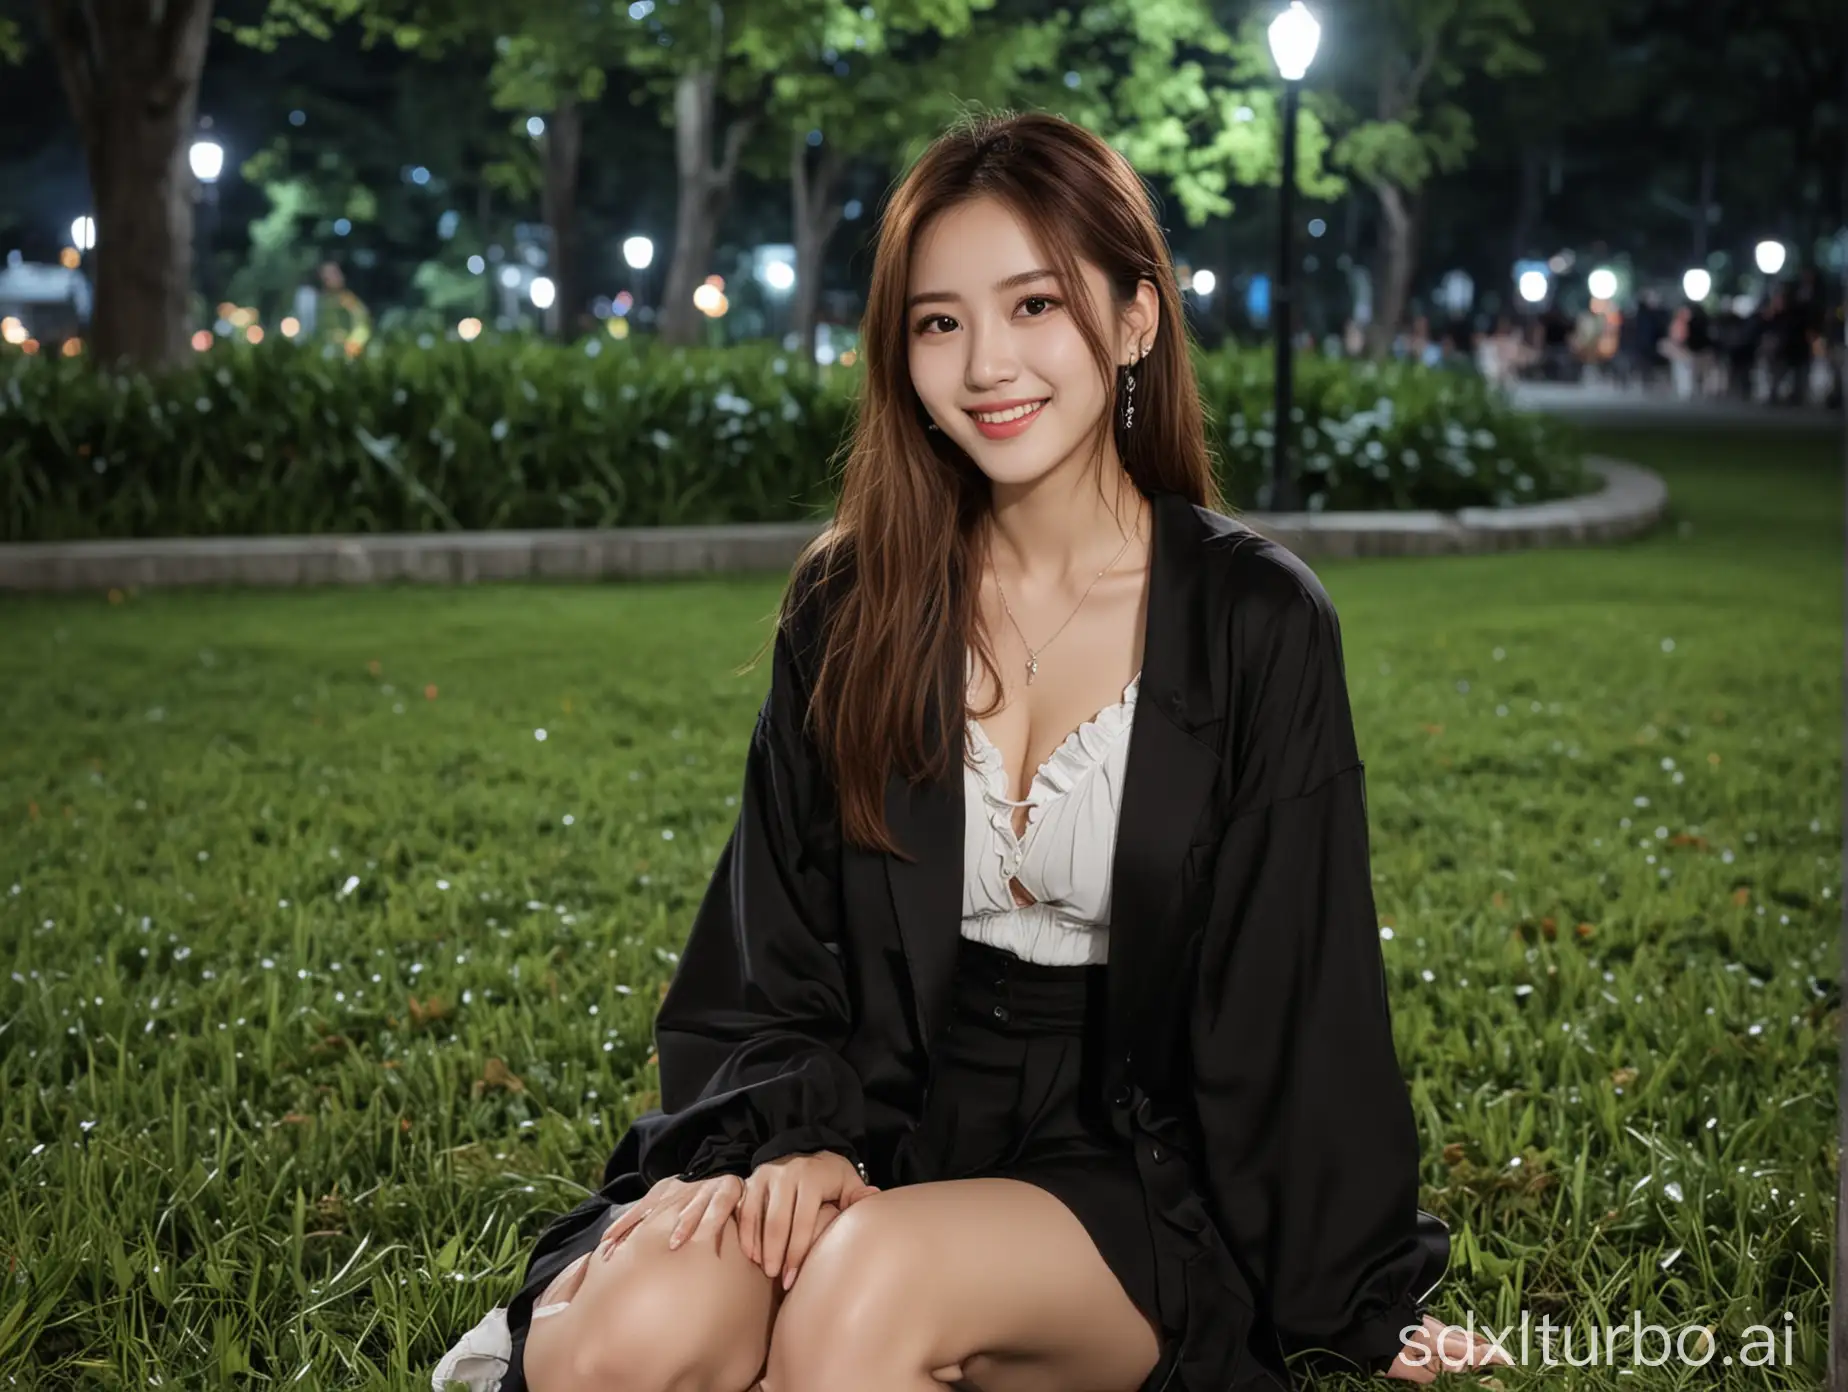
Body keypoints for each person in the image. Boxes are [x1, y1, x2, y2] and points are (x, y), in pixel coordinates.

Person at [447, 111, 1510, 1392]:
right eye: (939, 321)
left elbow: (1305, 986)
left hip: (1122, 1158)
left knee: (858, 1304)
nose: (986, 363)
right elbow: (772, 945)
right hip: (872, 1099)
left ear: (1133, 320)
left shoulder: (1253, 621)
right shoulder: (853, 600)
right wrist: (792, 1138)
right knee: (631, 1341)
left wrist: (1359, 1300)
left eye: (1033, 306)